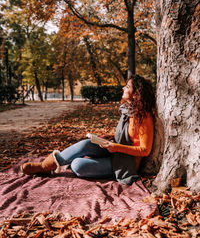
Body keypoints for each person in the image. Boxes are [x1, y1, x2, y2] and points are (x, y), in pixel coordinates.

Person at [21, 75, 155, 185]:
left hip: (126, 163)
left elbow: (145, 150)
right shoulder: (127, 110)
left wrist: (116, 147)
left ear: (136, 92)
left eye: (127, 86)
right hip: (115, 151)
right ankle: (45, 166)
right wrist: (107, 139)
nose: (123, 88)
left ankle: (70, 162)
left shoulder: (144, 117)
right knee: (86, 143)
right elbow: (125, 136)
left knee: (77, 165)